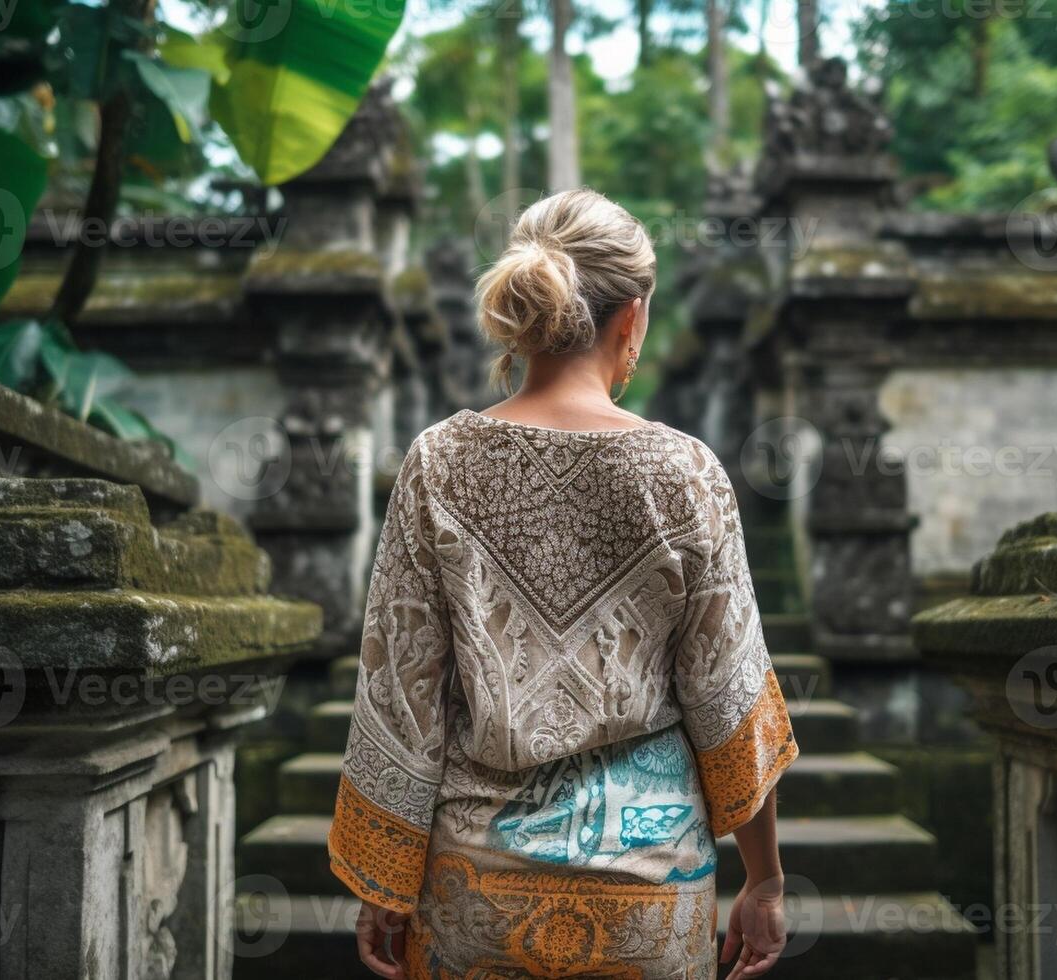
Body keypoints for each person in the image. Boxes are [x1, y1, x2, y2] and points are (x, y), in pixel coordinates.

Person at [327, 188, 797, 979]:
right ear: (633, 317)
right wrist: (766, 880)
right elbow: (725, 693)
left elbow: (403, 688)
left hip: (476, 888)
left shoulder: (438, 462)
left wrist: (385, 881)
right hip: (651, 891)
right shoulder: (686, 471)